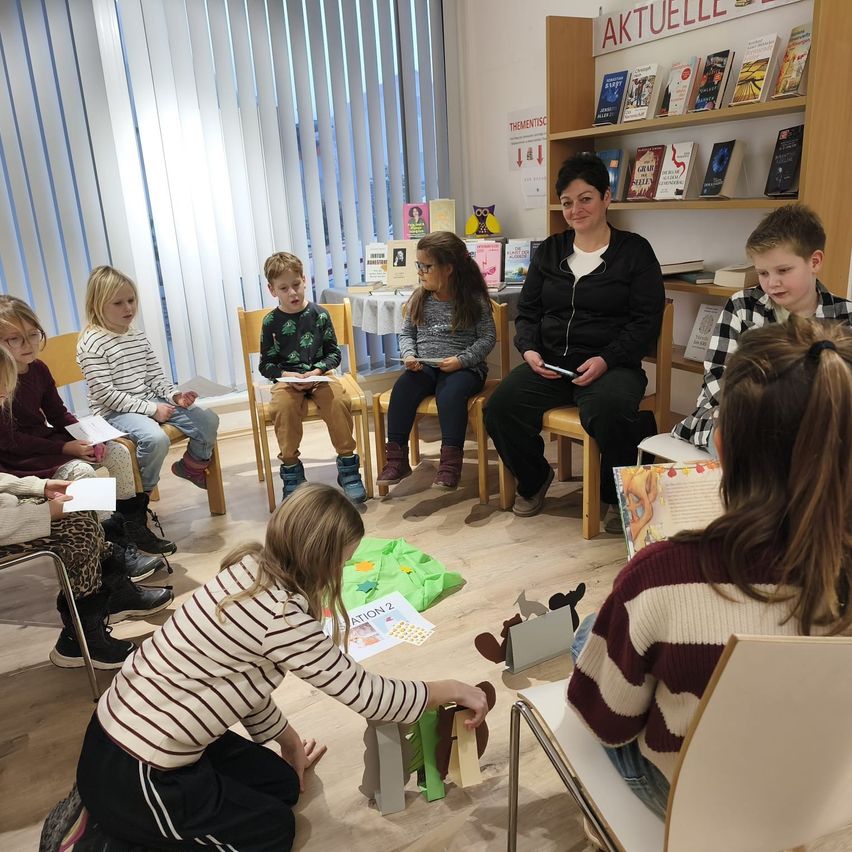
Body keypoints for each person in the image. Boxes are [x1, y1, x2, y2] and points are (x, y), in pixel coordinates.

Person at [42, 484, 490, 851]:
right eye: (342, 560)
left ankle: (122, 812)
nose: (342, 570)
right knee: (274, 833)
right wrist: (452, 687)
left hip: (131, 735)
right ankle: (94, 837)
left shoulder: (250, 567)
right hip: (136, 766)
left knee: (281, 785)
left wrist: (287, 740)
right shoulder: (282, 616)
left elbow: (240, 682)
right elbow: (369, 695)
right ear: (321, 558)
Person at [567, 318, 852, 825]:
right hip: (819, 803)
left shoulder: (659, 576)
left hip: (694, 805)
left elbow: (610, 724)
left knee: (591, 632)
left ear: (719, 447)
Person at [484, 152, 664, 531]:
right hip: (550, 363)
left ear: (606, 198)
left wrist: (607, 358)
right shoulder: (551, 250)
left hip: (611, 365)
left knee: (611, 410)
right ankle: (534, 480)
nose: (575, 209)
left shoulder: (635, 252)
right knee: (500, 406)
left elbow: (645, 321)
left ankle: (615, 496)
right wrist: (529, 349)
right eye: (567, 202)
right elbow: (528, 310)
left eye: (585, 199)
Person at [0, 346, 172, 671]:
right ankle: (82, 635)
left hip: (18, 496)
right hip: (13, 506)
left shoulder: (37, 370)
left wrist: (38, 488)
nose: (6, 396)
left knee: (84, 500)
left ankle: (98, 606)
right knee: (78, 525)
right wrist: (42, 512)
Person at [0, 295, 175, 569]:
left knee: (117, 452)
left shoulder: (39, 369)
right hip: (20, 461)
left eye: (33, 335)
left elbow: (58, 414)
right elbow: (11, 441)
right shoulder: (2, 382)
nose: (28, 344)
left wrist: (88, 438)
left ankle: (130, 528)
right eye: (15, 339)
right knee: (82, 474)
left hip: (46, 444)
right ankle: (111, 553)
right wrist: (65, 448)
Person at [673, 203, 852, 452]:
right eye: (763, 273)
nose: (772, 283)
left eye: (783, 270)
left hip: (819, 430)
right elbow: (718, 381)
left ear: (815, 261)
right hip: (739, 420)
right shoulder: (742, 307)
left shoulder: (846, 316)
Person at [77, 266, 220, 496]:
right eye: (118, 303)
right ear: (97, 305)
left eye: (131, 300)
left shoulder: (135, 334)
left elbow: (154, 376)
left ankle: (191, 467)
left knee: (208, 420)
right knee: (156, 439)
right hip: (113, 412)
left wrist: (174, 396)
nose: (128, 308)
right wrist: (152, 409)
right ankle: (140, 498)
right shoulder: (92, 343)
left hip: (146, 402)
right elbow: (106, 395)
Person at [377, 231, 496, 490]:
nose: (420, 271)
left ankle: (451, 464)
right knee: (403, 388)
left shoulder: (473, 300)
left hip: (464, 369)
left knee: (450, 394)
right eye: (418, 265)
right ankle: (397, 459)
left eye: (426, 266)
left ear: (449, 268)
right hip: (425, 365)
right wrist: (409, 355)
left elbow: (487, 339)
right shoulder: (420, 298)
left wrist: (462, 360)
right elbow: (407, 333)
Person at [259, 251, 367, 503]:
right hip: (288, 380)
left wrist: (317, 371)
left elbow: (333, 354)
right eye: (284, 288)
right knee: (282, 407)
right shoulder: (271, 322)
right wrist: (286, 374)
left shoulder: (319, 314)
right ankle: (292, 473)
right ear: (272, 290)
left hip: (321, 375)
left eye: (296, 285)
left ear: (304, 280)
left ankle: (348, 467)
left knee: (338, 402)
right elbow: (266, 365)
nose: (292, 293)